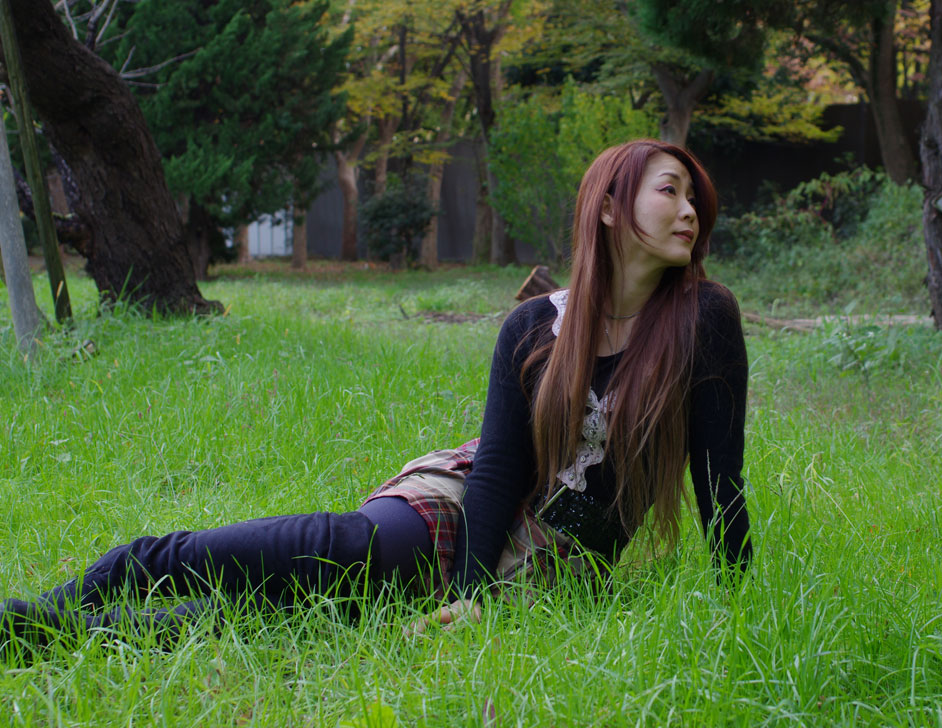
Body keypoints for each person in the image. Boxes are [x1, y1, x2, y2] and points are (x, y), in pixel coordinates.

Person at [0, 139, 751, 647]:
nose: (691, 210)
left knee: (306, 619)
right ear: (610, 208)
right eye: (670, 191)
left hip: (561, 559)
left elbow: (720, 480)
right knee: (348, 555)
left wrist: (739, 601)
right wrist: (467, 594)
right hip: (467, 501)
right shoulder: (533, 327)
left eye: (696, 197)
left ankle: (68, 635)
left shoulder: (704, 320)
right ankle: (118, 573)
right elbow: (496, 470)